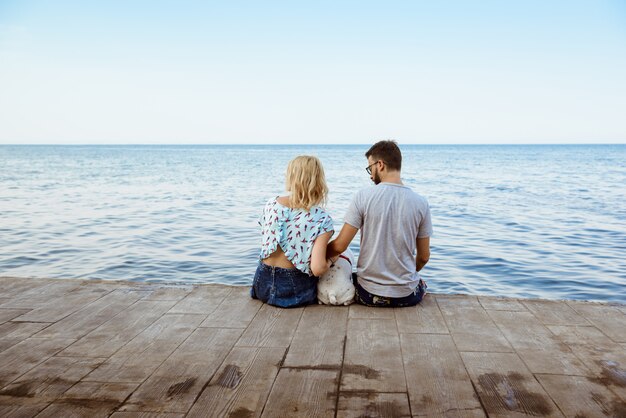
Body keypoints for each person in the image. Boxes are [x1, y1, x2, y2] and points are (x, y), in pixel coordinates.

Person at [327, 140, 432, 307]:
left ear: (380, 165)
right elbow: (424, 257)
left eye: (370, 168)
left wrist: (317, 255)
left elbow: (339, 246)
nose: (370, 175)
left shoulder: (362, 196)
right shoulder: (421, 203)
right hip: (406, 297)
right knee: (422, 284)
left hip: (368, 294)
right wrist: (405, 276)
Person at [251, 155, 337, 308]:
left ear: (291, 177)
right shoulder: (322, 218)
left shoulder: (271, 204)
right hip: (294, 291)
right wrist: (332, 259)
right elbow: (317, 269)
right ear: (318, 181)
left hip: (261, 284)